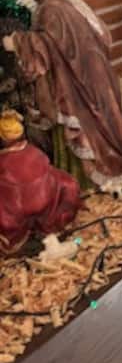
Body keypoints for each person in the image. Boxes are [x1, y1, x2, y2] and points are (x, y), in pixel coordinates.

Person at [2, 0, 122, 190]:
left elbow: (48, 45)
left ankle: (89, 177)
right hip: (96, 71)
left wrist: (18, 42)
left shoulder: (52, 9)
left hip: (77, 80)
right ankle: (118, 151)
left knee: (89, 124)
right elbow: (103, 35)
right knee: (104, 117)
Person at [0, 108, 81, 256]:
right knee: (66, 182)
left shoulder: (4, 160)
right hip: (43, 202)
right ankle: (57, 232)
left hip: (20, 208)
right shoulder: (33, 151)